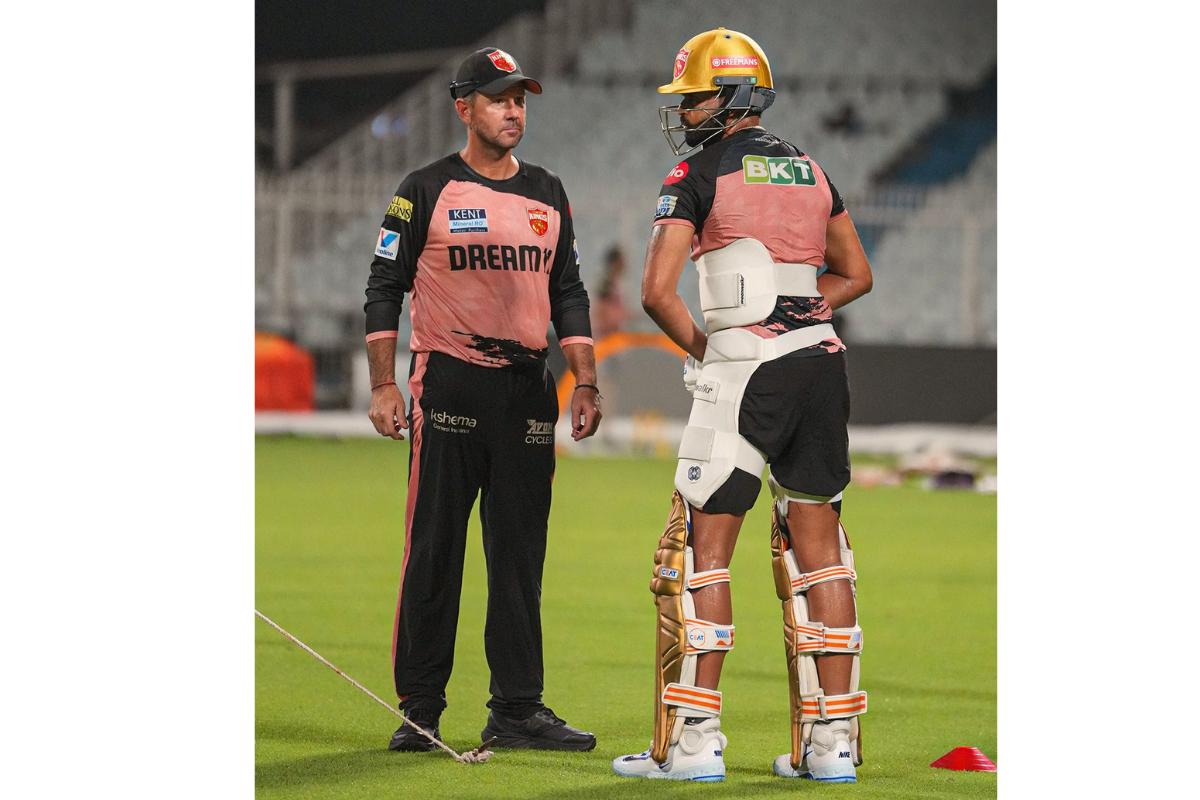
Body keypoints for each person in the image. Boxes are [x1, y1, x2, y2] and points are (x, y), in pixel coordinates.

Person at [611, 28, 874, 783]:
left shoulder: (694, 171)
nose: (683, 109)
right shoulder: (812, 167)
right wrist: (796, 313)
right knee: (821, 557)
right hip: (822, 364)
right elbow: (855, 273)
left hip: (745, 370)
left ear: (731, 94)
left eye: (692, 95)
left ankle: (693, 746)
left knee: (700, 552)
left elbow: (655, 294)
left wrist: (715, 346)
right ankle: (830, 751)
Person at [363, 46, 602, 754]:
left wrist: (585, 380)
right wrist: (382, 384)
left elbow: (570, 292)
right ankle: (422, 709)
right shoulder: (423, 189)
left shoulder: (548, 192)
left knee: (520, 558)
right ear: (462, 107)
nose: (513, 112)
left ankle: (518, 709)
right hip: (450, 387)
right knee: (434, 551)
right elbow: (383, 287)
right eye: (499, 99)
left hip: (529, 392)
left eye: (520, 100)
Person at [590, 245, 633, 339]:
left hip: (613, 334)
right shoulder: (606, 283)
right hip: (604, 336)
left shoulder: (616, 283)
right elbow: (601, 310)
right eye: (621, 261)